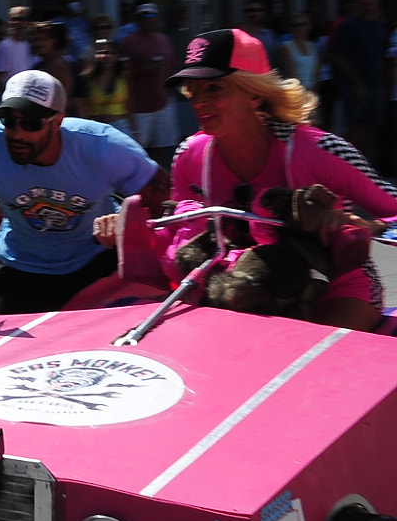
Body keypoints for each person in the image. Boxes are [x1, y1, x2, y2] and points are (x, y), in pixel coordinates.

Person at [154, 29, 397, 331]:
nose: (199, 102)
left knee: (308, 362)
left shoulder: (320, 149)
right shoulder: (188, 155)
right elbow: (177, 232)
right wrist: (127, 229)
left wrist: (373, 226)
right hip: (240, 293)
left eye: (214, 89)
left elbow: (392, 207)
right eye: (193, 91)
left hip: (338, 288)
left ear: (254, 93)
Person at [0, 70, 158, 318]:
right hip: (23, 265)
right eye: (9, 121)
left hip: (97, 260)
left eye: (31, 123)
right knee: (8, 354)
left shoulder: (103, 146)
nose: (17, 134)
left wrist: (129, 223)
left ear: (57, 122)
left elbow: (169, 207)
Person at [328, 0, 388, 159]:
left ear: (376, 5)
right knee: (356, 130)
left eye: (369, 4)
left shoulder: (380, 26)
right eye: (362, 4)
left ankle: (366, 171)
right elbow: (339, 57)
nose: (367, 8)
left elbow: (383, 56)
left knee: (372, 129)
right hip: (355, 88)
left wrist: (383, 85)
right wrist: (357, 83)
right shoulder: (347, 26)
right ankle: (349, 168)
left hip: (375, 86)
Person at [119, 2, 179, 161]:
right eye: (143, 16)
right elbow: (123, 74)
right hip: (140, 108)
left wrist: (170, 92)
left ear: (157, 18)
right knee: (138, 150)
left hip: (164, 105)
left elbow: (173, 67)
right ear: (137, 20)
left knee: (162, 148)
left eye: (151, 15)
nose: (148, 19)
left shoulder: (165, 40)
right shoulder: (128, 42)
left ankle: (158, 181)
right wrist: (147, 70)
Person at [73, 38, 131, 133]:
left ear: (117, 56)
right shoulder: (86, 78)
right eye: (102, 52)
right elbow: (82, 106)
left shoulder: (124, 77)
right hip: (95, 127)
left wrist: (135, 130)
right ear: (95, 55)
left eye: (112, 53)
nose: (107, 56)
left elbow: (129, 106)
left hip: (121, 126)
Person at [0, 6, 33, 95]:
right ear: (10, 22)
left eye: (25, 19)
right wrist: (11, 98)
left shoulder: (27, 45)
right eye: (16, 19)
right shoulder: (4, 46)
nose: (21, 23)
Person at [29, 20, 76, 98]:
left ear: (54, 41)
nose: (36, 44)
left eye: (41, 39)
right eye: (34, 40)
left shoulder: (58, 66)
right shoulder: (39, 65)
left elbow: (61, 99)